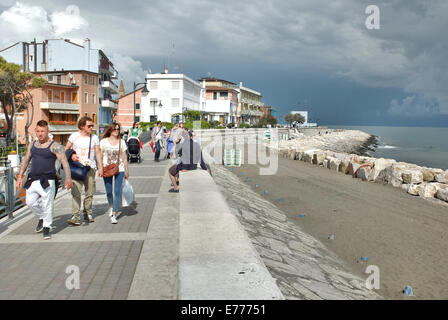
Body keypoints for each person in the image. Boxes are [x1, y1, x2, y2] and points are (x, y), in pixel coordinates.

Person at [16, 120, 73, 240]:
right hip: (33, 179)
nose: (40, 133)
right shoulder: (32, 145)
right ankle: (42, 217)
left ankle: (47, 228)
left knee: (47, 205)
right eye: (38, 131)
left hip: (48, 180)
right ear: (35, 131)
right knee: (30, 202)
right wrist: (20, 176)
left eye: (43, 131)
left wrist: (68, 178)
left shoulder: (55, 146)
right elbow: (25, 160)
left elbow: (64, 162)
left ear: (48, 131)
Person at [65, 116, 103, 226]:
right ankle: (75, 217)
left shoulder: (94, 137)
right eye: (89, 126)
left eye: (92, 125)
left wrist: (100, 167)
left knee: (89, 192)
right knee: (76, 192)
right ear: (82, 126)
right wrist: (72, 157)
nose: (91, 127)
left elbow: (98, 153)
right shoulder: (74, 136)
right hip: (76, 167)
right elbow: (66, 150)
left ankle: (88, 213)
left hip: (90, 168)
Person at [100, 122, 129, 224]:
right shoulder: (103, 142)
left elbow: (124, 158)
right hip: (106, 168)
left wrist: (126, 170)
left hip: (119, 169)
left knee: (117, 192)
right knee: (108, 192)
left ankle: (114, 214)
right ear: (110, 130)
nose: (116, 131)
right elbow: (99, 156)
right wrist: (100, 168)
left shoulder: (122, 142)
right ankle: (111, 206)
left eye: (118, 129)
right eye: (114, 129)